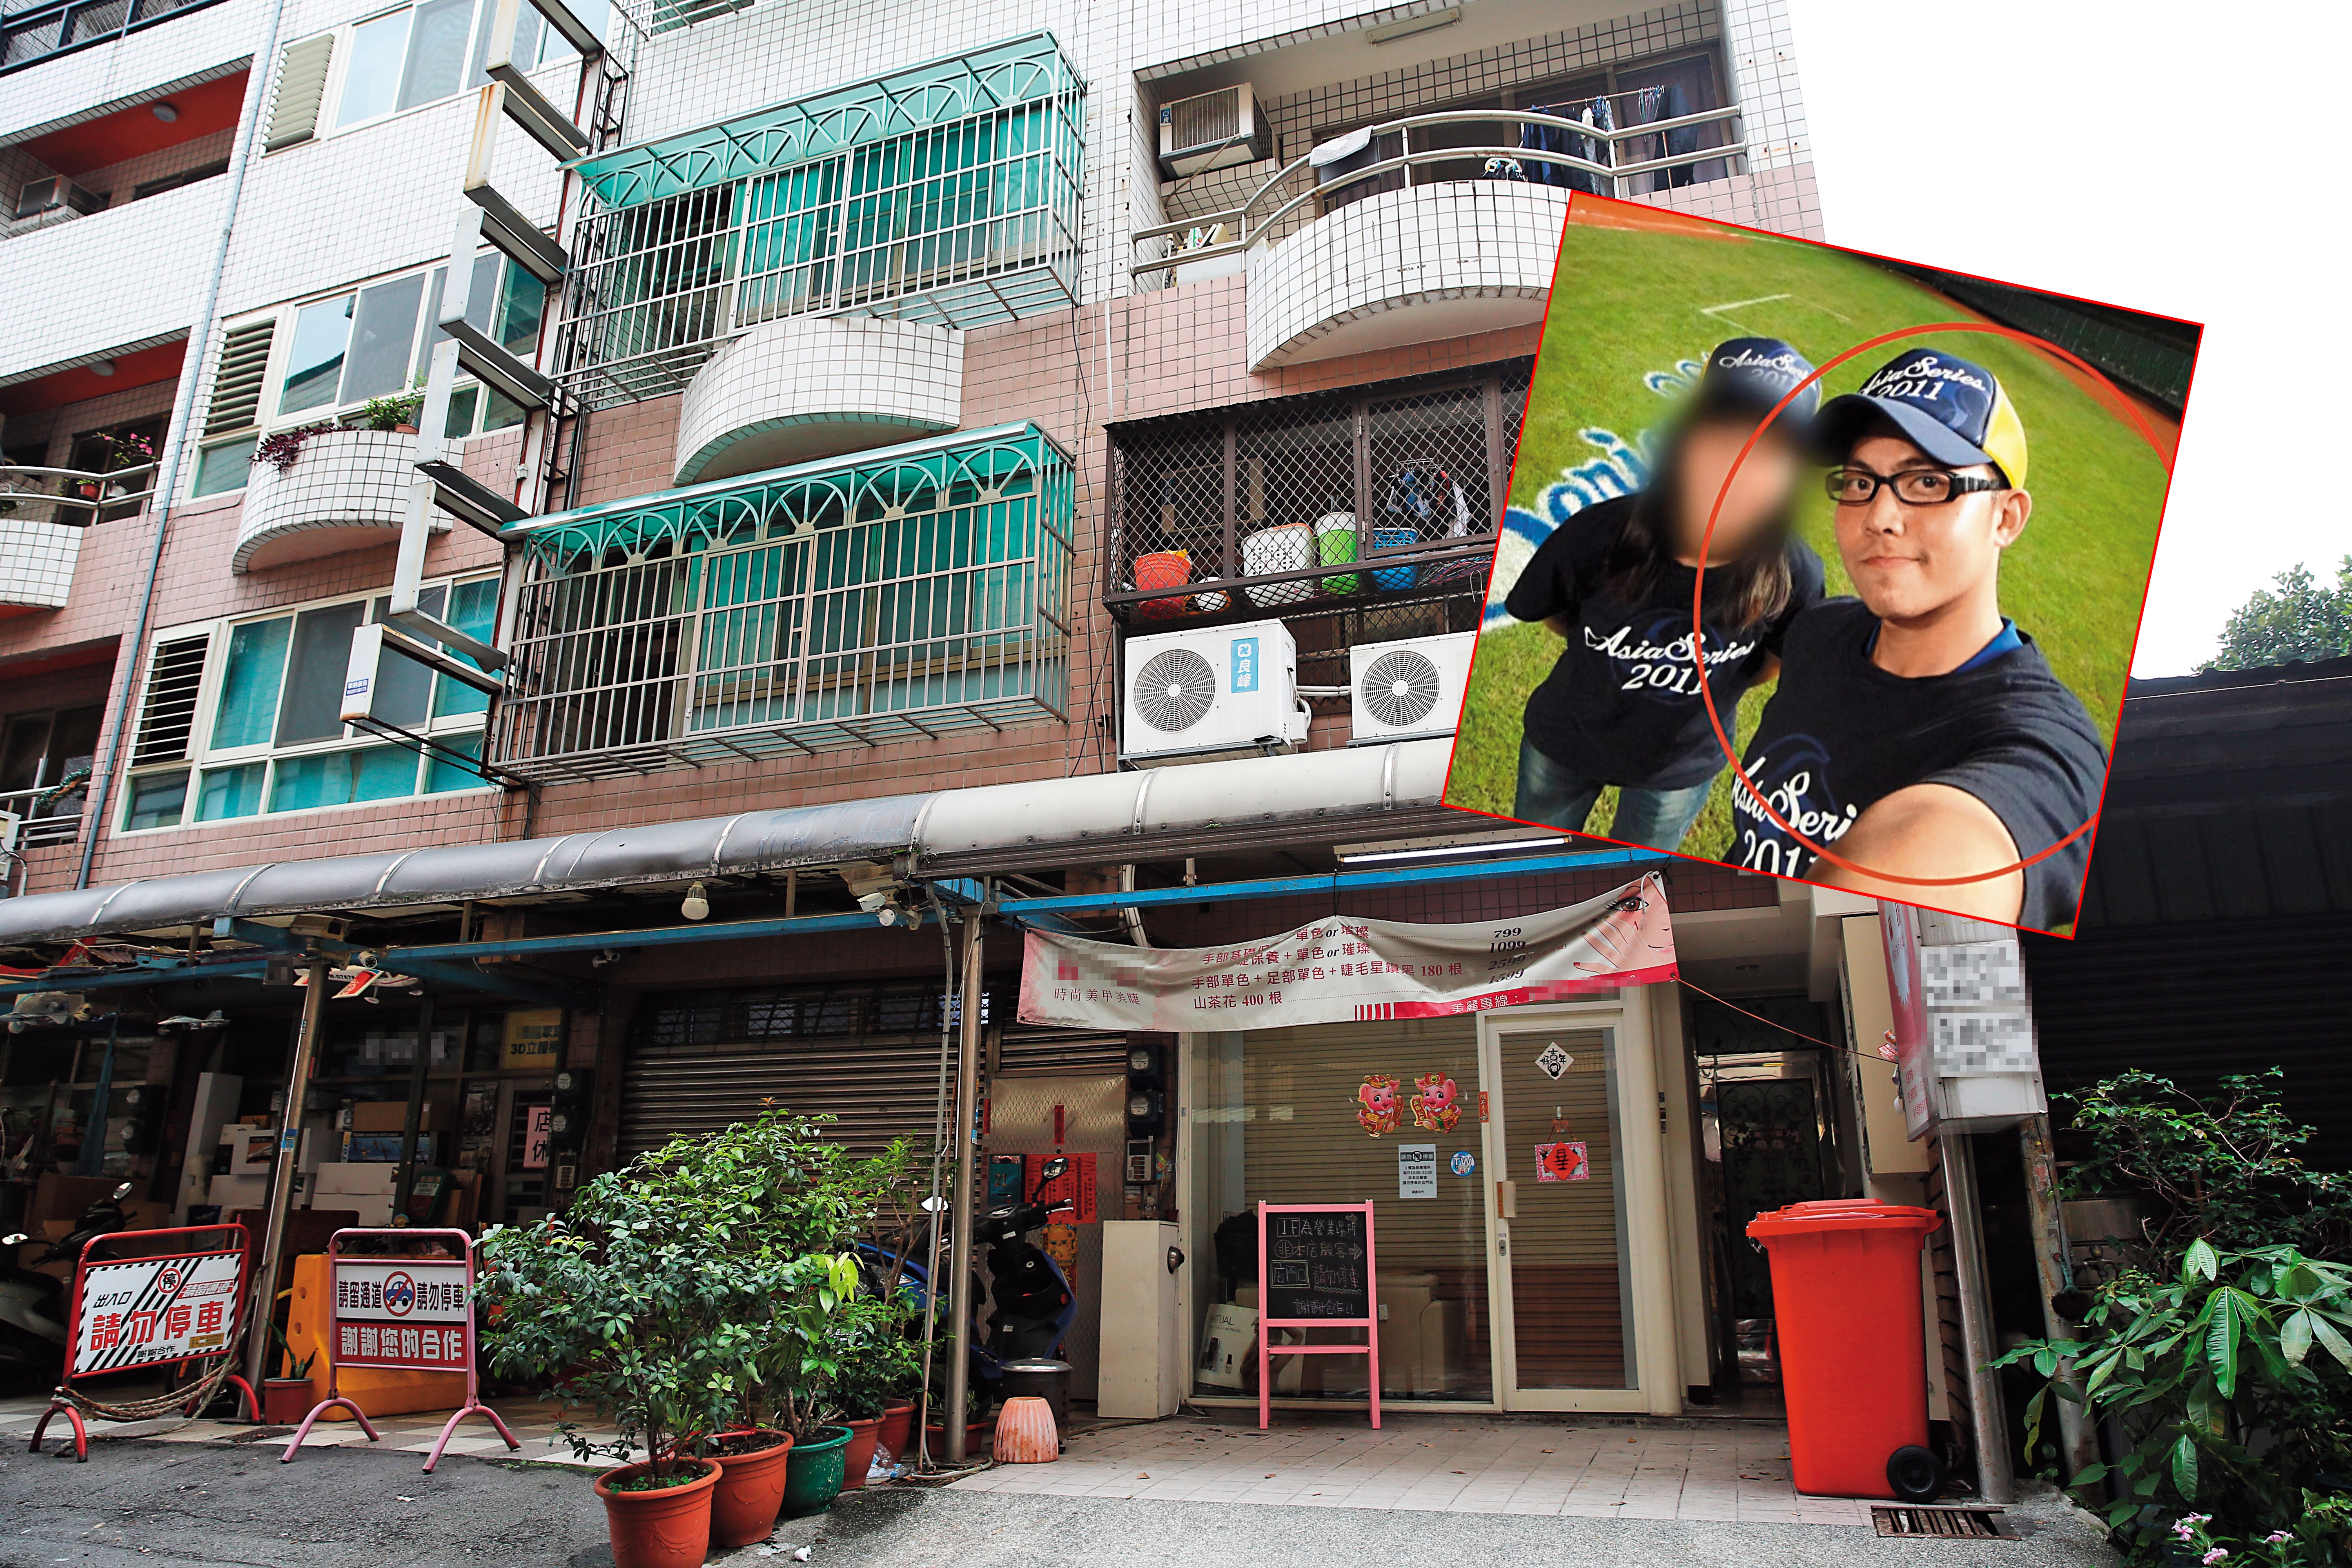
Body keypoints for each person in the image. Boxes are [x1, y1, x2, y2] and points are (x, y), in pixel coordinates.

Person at [1731, 347, 2106, 929]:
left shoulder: (2046, 749)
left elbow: (1956, 863)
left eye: (1927, 481)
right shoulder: (1818, 632)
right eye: (1859, 482)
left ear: (2006, 518)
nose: (1879, 515)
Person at [1506, 337, 1826, 850]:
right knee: (1528, 862)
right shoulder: (1601, 532)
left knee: (1630, 889)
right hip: (1566, 740)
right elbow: (1555, 613)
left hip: (1681, 767)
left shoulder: (1797, 573)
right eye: (1723, 434)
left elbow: (1775, 661)